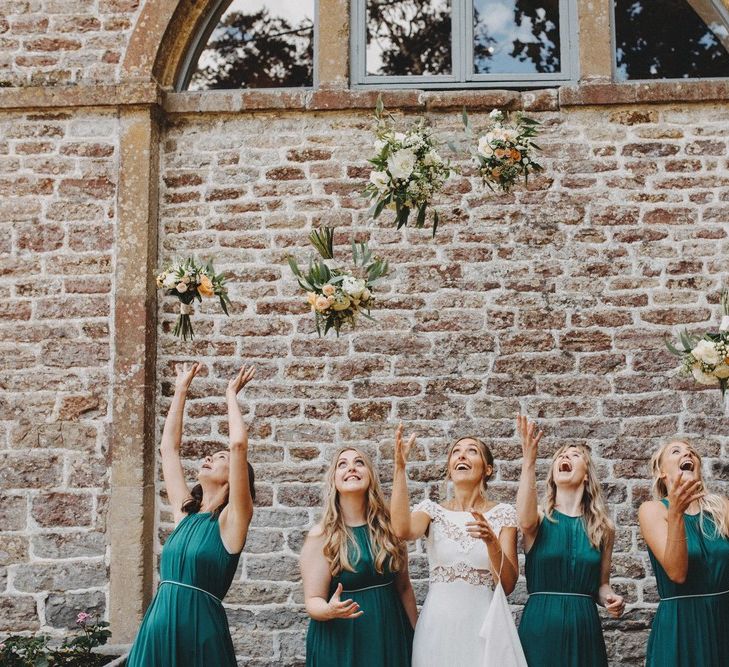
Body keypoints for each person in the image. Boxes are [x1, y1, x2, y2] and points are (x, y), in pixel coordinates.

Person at [127, 362, 256, 667]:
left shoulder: (232, 520)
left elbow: (238, 445)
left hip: (200, 633)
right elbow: (168, 450)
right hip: (157, 628)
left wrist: (230, 395)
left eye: (220, 457)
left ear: (235, 478)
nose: (209, 457)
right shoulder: (185, 514)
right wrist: (182, 388)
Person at [391, 424, 524, 666]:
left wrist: (491, 542)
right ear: (450, 470)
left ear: (488, 469)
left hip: (484, 626)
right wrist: (399, 469)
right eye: (456, 452)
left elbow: (507, 585)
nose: (462, 455)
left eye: (472, 451)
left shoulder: (504, 514)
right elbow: (401, 530)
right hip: (437, 627)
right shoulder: (431, 511)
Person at [516, 414, 624, 667]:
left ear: (586, 475)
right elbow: (524, 521)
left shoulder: (603, 528)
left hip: (584, 625)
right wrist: (529, 461)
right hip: (542, 624)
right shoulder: (540, 518)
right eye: (560, 457)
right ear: (553, 475)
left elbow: (602, 585)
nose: (565, 458)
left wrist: (610, 598)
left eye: (574, 455)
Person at [300, 446, 417, 667]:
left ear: (370, 475)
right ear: (333, 480)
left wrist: (418, 637)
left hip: (389, 635)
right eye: (342, 464)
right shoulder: (321, 535)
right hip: (342, 641)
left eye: (359, 462)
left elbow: (404, 588)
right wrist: (329, 610)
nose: (351, 467)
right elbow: (313, 600)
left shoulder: (390, 529)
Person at [639, 439, 729, 667]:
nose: (687, 453)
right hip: (681, 624)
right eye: (676, 451)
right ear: (661, 472)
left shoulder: (721, 508)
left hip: (722, 620)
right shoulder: (652, 510)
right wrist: (676, 513)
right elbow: (677, 573)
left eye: (692, 452)